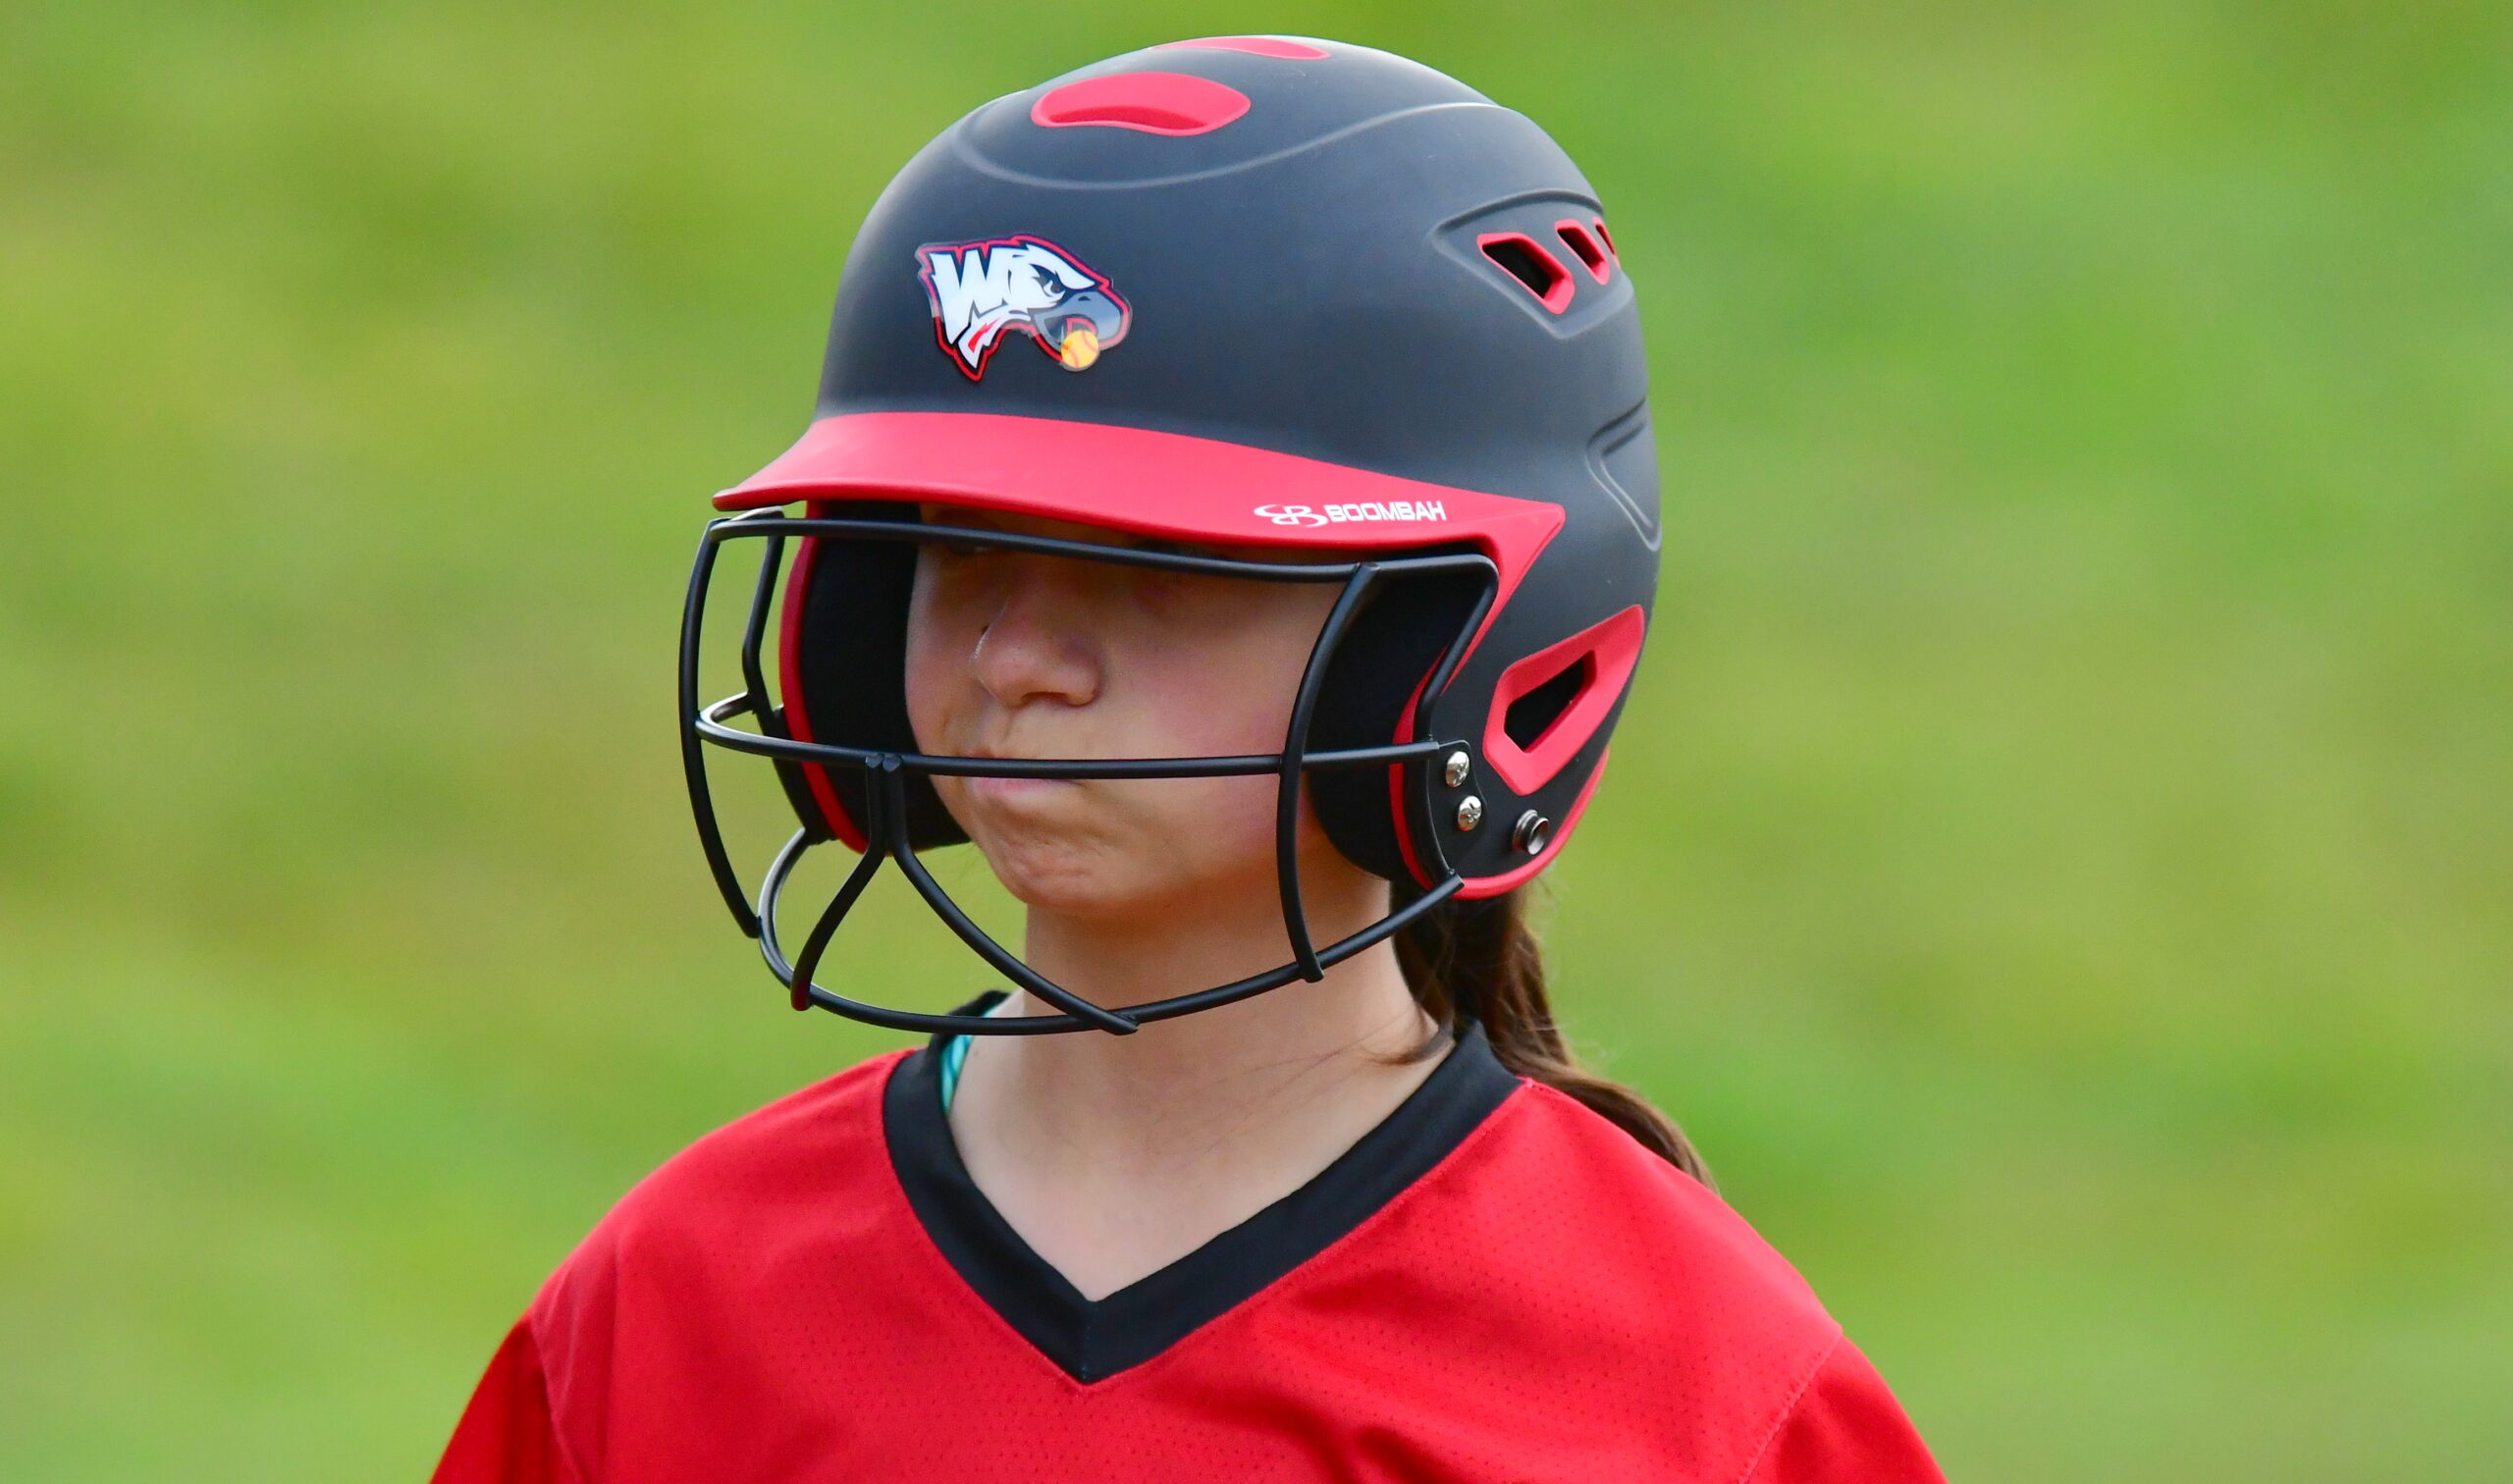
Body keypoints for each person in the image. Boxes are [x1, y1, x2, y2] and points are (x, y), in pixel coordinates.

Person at [433, 35, 1946, 1483]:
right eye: (953, 553)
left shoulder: (1685, 1392)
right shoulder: (682, 1306)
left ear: (1457, 645)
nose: (1018, 658)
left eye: (1155, 564)